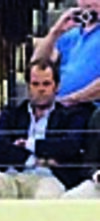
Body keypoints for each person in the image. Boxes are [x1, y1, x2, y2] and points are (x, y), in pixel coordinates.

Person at [0, 59, 89, 199]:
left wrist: (29, 144)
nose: (41, 89)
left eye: (46, 84)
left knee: (47, 196)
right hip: (12, 175)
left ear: (56, 87)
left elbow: (69, 146)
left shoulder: (70, 116)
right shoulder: (12, 113)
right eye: (35, 84)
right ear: (28, 86)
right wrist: (35, 160)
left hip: (48, 178)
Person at [31, 0, 100, 178]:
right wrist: (56, 31)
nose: (88, 3)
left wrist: (73, 98)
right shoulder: (71, 35)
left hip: (88, 109)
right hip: (58, 107)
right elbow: (37, 65)